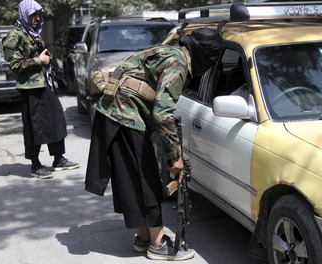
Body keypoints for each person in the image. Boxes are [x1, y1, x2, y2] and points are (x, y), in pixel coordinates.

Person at [85, 28, 224, 260]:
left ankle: (143, 237)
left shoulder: (175, 52)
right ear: (203, 54)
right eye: (211, 58)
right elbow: (162, 113)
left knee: (132, 178)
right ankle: (158, 245)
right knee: (145, 179)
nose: (211, 64)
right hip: (124, 114)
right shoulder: (180, 64)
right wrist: (175, 156)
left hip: (115, 111)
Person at [2, 0, 79, 179]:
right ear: (25, 14)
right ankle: (35, 164)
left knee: (56, 120)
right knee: (34, 126)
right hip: (30, 88)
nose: (37, 18)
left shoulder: (34, 34)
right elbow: (14, 64)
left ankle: (58, 159)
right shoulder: (15, 36)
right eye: (33, 15)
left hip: (45, 84)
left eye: (39, 14)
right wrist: (38, 61)